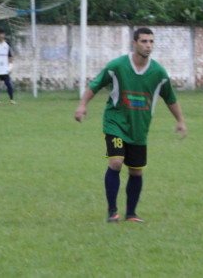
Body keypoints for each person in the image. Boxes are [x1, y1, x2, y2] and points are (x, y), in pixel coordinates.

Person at [74, 27, 187, 223]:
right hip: (115, 123)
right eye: (144, 41)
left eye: (151, 42)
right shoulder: (118, 66)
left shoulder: (158, 72)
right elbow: (96, 84)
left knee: (136, 170)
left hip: (139, 128)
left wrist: (180, 121)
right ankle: (112, 212)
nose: (148, 45)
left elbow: (170, 98)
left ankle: (131, 214)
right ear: (134, 43)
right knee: (116, 162)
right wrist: (82, 105)